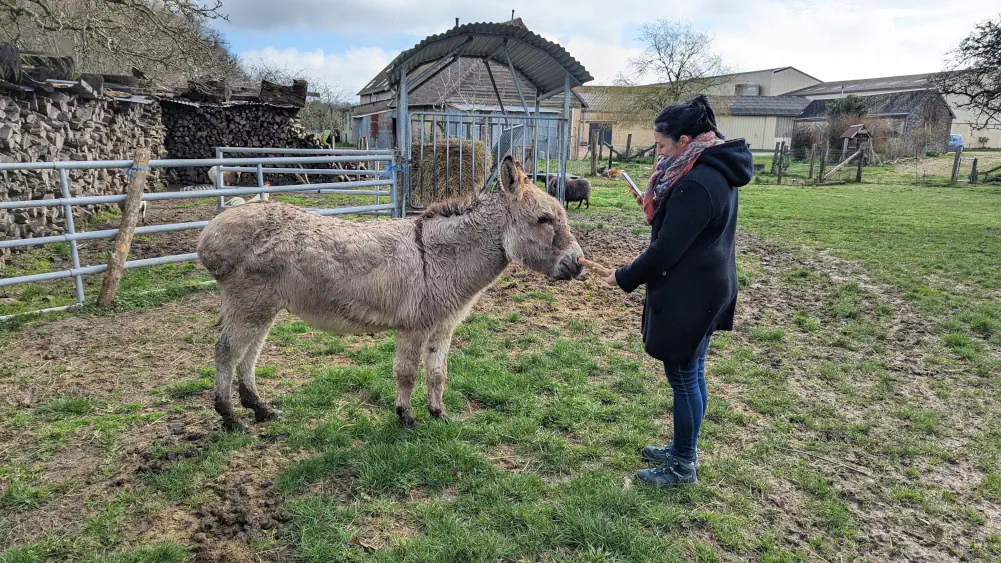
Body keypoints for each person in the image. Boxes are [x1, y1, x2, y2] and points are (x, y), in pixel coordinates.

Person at [603, 95, 752, 486]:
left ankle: (683, 464)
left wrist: (624, 276)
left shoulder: (697, 183)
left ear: (685, 141)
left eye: (663, 145)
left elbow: (665, 250)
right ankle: (683, 448)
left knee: (685, 377)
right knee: (694, 371)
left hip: (692, 292)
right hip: (708, 284)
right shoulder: (712, 167)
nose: (658, 151)